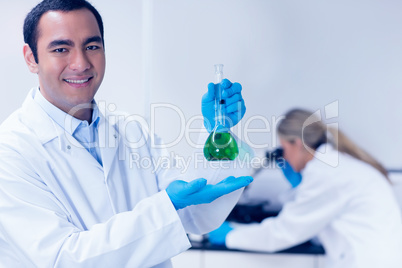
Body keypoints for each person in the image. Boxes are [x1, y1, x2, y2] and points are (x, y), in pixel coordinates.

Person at [0, 0, 253, 267]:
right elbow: (62, 259)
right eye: (61, 49)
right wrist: (165, 206)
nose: (80, 63)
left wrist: (217, 135)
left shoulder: (132, 131)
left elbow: (195, 215)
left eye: (92, 46)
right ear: (31, 58)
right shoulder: (11, 151)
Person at [209, 108, 402, 268]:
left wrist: (231, 236)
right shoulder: (334, 166)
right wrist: (298, 187)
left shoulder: (325, 173)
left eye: (283, 148)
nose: (283, 156)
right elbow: (313, 217)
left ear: (297, 144)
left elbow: (283, 232)